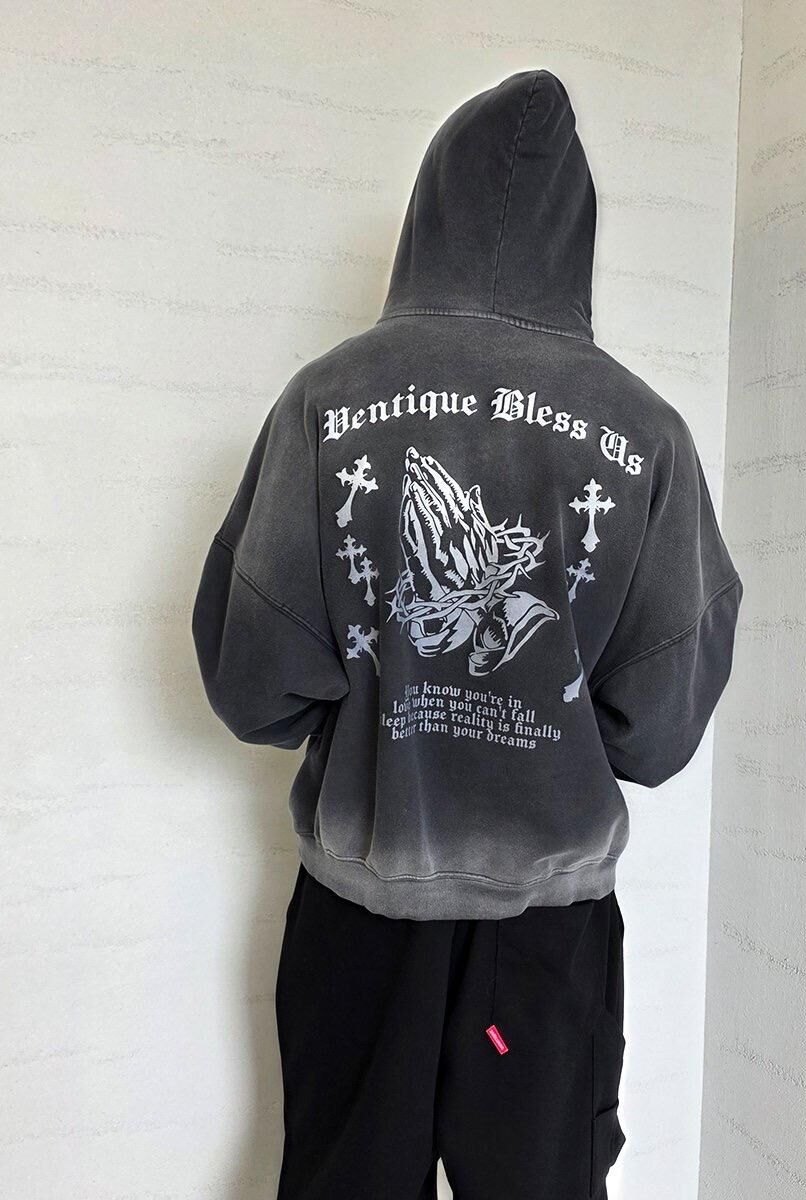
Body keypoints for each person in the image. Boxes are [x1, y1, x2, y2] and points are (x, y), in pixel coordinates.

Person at [192, 69, 742, 1200]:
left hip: (362, 915)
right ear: (576, 231)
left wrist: (378, 694)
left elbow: (255, 686)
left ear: (428, 207)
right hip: (547, 939)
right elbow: (658, 729)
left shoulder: (326, 402)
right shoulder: (647, 435)